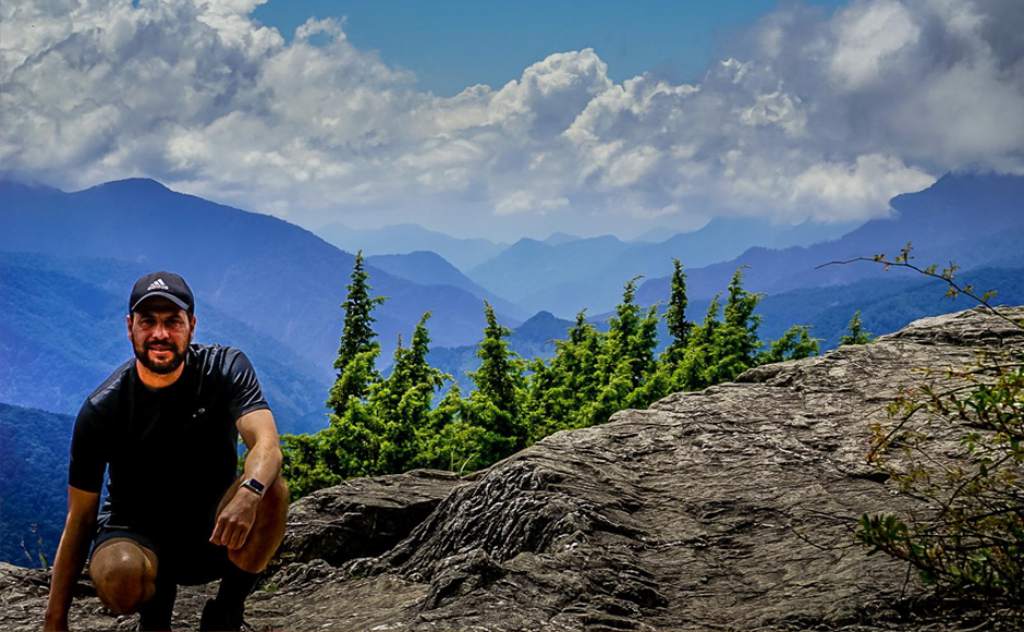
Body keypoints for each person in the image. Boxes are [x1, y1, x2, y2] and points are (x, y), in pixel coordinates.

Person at [43, 272, 289, 632]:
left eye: (172, 321)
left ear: (192, 325)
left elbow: (267, 445)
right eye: (148, 322)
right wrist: (54, 619)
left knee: (272, 491)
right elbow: (79, 518)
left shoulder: (225, 369)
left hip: (213, 527)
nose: (160, 334)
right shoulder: (103, 409)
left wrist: (249, 495)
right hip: (135, 532)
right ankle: (154, 619)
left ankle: (226, 612)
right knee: (118, 575)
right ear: (130, 327)